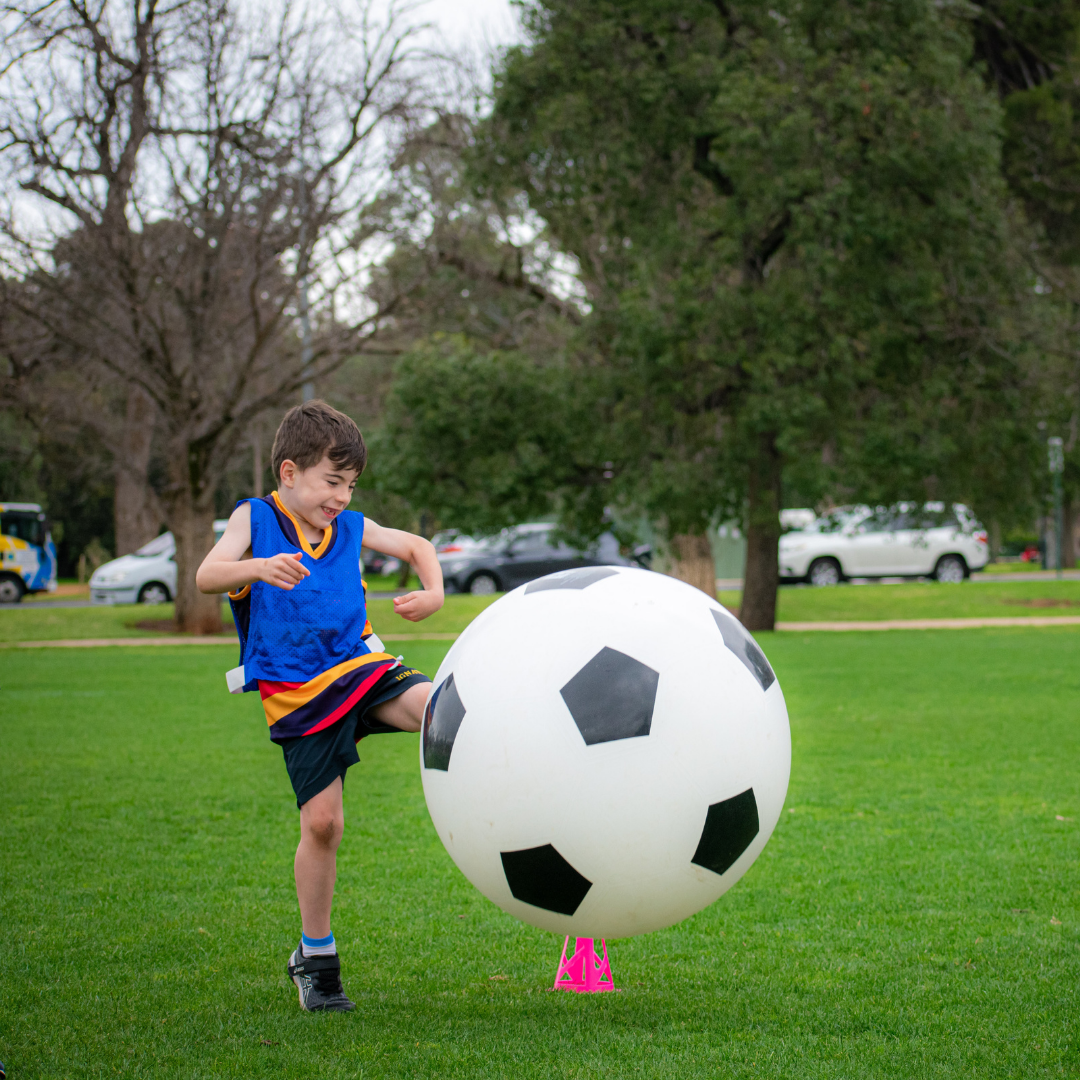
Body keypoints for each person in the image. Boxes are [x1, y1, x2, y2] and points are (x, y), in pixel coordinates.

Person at [196, 400, 443, 1012]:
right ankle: (316, 955)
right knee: (324, 825)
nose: (341, 495)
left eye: (350, 484)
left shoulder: (352, 527)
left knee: (443, 709)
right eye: (332, 482)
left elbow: (416, 546)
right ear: (288, 472)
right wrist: (255, 567)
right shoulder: (254, 518)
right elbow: (207, 574)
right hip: (298, 696)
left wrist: (433, 593)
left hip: (361, 669)